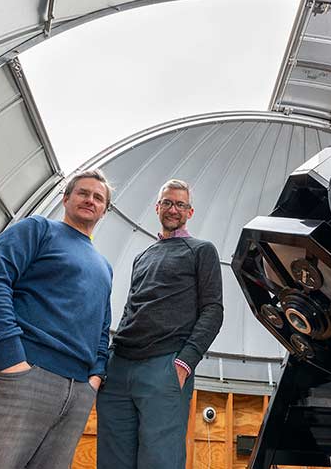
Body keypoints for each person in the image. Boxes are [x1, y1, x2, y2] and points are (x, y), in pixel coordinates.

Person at [0, 169, 114, 469]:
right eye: (82, 192)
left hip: (76, 396)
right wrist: (11, 361)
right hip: (17, 377)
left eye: (98, 197)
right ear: (66, 198)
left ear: (104, 210)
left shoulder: (105, 267)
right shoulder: (38, 229)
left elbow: (101, 329)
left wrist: (92, 381)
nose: (90, 199)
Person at [96, 179, 224, 469]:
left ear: (190, 212)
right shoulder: (142, 257)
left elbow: (213, 310)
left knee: (160, 461)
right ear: (157, 207)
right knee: (111, 459)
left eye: (180, 204)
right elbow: (131, 309)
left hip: (165, 366)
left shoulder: (201, 250)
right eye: (167, 202)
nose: (173, 209)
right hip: (119, 367)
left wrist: (184, 363)